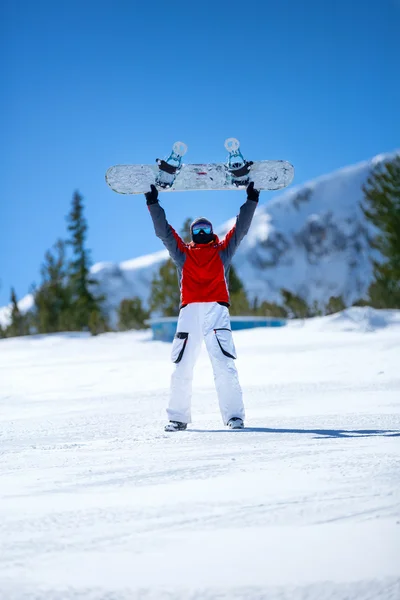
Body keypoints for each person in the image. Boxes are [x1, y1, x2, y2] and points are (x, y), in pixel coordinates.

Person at [145, 182, 260, 431]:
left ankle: (234, 416)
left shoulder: (222, 252)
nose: (201, 232)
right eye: (197, 229)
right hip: (189, 313)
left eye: (205, 228)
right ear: (191, 234)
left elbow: (240, 229)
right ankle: (177, 417)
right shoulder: (183, 254)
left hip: (216, 311)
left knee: (223, 364)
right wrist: (153, 203)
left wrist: (251, 199)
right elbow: (165, 232)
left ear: (212, 232)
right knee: (182, 365)